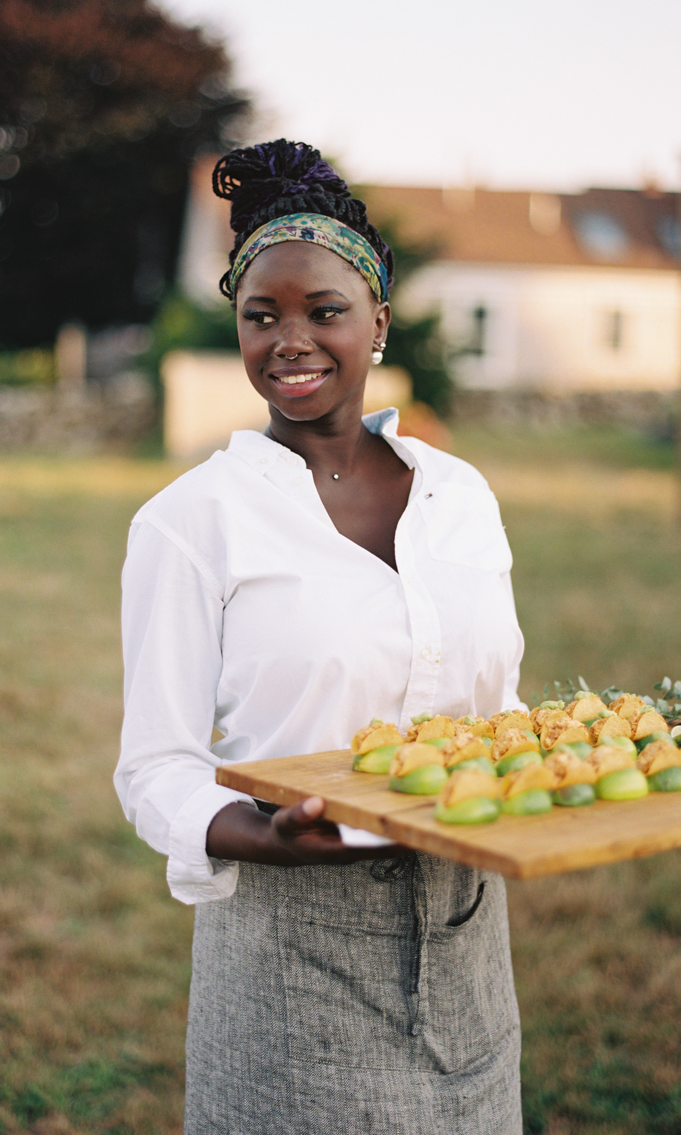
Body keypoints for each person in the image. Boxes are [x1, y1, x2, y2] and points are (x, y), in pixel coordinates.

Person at [114, 139, 526, 1134]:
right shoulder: (191, 518)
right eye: (263, 316)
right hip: (290, 955)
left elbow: (499, 710)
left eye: (323, 310)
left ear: (378, 321)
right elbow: (155, 767)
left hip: (470, 943)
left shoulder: (459, 496)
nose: (289, 339)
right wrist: (263, 835)